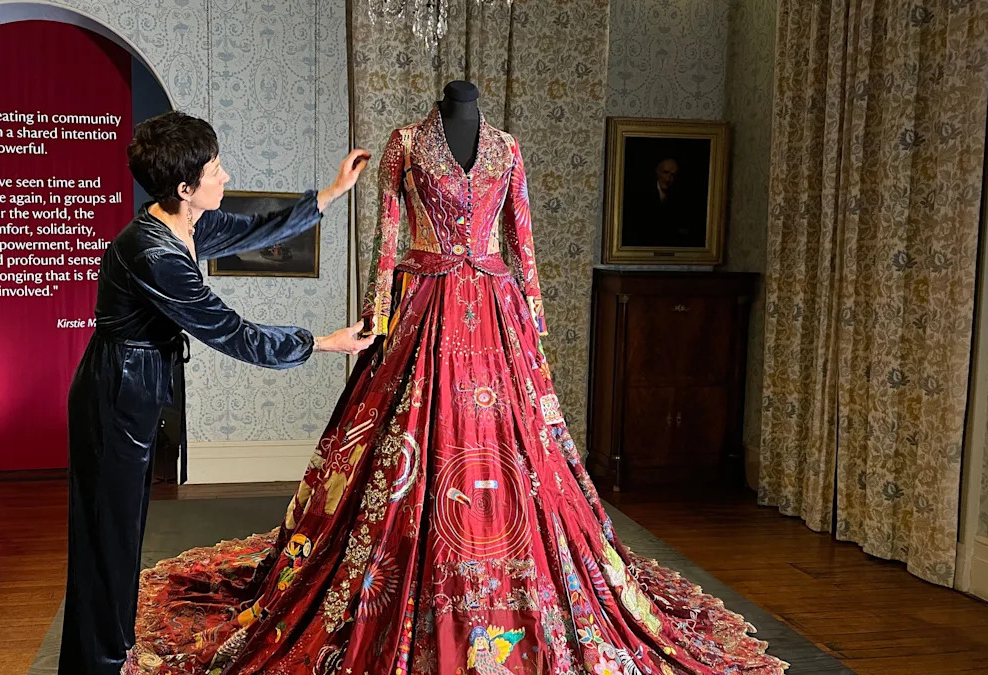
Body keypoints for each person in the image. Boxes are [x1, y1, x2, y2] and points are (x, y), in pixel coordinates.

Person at [123, 92, 788, 674]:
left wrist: (532, 320)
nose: (222, 174)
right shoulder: (406, 143)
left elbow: (520, 236)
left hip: (497, 312)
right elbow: (388, 235)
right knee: (410, 437)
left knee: (518, 449)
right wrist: (377, 312)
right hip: (424, 302)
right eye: (213, 169)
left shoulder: (507, 148)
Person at [57, 110, 373, 675]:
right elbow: (231, 331)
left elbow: (255, 230)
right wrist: (323, 343)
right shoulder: (153, 253)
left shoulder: (183, 224)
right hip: (115, 393)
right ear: (185, 188)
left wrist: (331, 193)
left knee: (122, 530)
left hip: (136, 386)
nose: (225, 176)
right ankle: (96, 663)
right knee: (106, 536)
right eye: (215, 169)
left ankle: (112, 646)